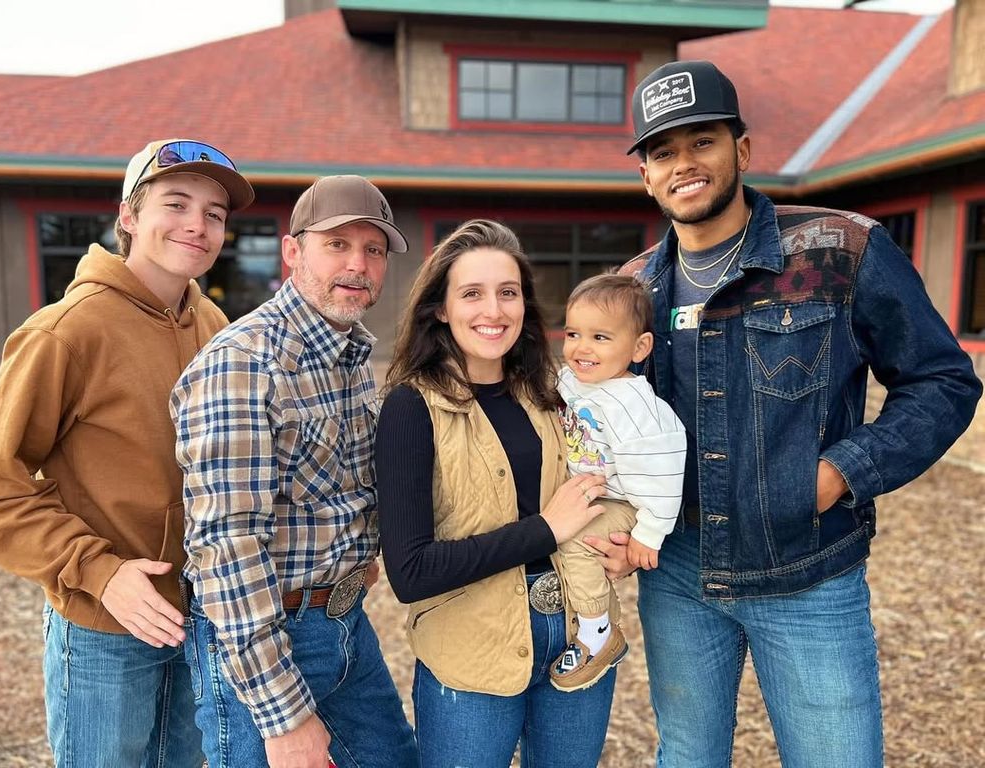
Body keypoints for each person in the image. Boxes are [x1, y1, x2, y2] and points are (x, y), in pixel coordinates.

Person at [619, 60, 983, 767]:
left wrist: (841, 473)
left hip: (808, 567)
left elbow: (943, 382)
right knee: (686, 756)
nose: (683, 164)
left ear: (742, 150)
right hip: (676, 575)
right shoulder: (633, 289)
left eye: (703, 142)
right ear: (645, 175)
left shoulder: (839, 250)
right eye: (663, 151)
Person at [0, 138, 254, 766]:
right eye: (176, 204)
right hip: (104, 630)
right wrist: (100, 571)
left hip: (201, 619)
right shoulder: (67, 331)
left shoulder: (216, 330)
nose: (197, 226)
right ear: (128, 216)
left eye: (214, 213)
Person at [170, 175, 418, 768]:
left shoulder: (349, 351)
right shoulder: (245, 364)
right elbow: (227, 546)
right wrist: (283, 717)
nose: (358, 264)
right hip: (265, 638)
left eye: (374, 250)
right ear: (292, 251)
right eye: (337, 244)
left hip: (343, 623)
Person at [375, 219, 618, 768]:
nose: (494, 310)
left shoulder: (553, 396)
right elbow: (410, 574)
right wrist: (544, 531)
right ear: (440, 308)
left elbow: (594, 494)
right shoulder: (411, 409)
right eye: (472, 293)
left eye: (508, 293)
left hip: (580, 636)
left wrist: (619, 541)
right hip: (471, 652)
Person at [548, 273, 686, 691]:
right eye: (573, 333)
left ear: (639, 347)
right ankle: (595, 611)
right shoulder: (573, 379)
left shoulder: (635, 406)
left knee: (576, 541)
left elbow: (663, 476)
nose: (581, 348)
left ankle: (597, 635)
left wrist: (649, 535)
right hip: (593, 490)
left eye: (601, 338)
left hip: (626, 501)